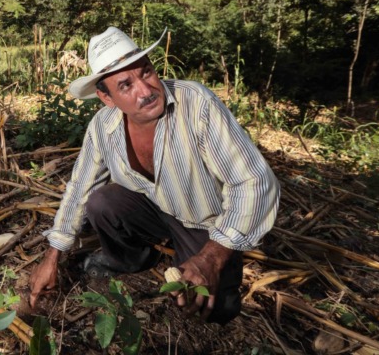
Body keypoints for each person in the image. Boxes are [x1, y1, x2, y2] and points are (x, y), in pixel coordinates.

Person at [28, 27, 280, 324]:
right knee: (101, 202)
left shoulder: (196, 103)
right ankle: (129, 259)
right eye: (125, 86)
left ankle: (195, 256)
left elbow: (253, 181)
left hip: (203, 221)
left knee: (219, 308)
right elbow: (79, 187)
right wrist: (52, 257)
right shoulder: (102, 127)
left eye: (146, 73)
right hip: (152, 209)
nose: (145, 91)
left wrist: (211, 257)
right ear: (106, 98)